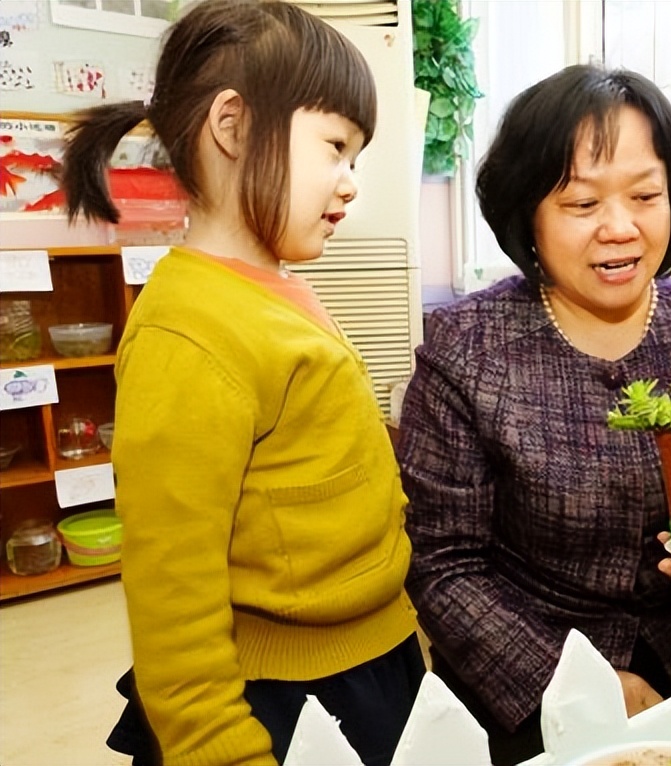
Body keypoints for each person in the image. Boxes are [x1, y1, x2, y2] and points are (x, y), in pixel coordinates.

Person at [59, 1, 423, 763]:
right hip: (286, 696)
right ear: (233, 125)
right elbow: (172, 597)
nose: (350, 184)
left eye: (356, 158)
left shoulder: (275, 288)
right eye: (336, 147)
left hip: (366, 658)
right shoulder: (188, 332)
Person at [396, 64, 671, 766]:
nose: (620, 228)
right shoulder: (466, 349)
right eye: (581, 203)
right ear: (529, 214)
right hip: (526, 686)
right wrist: (573, 681)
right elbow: (443, 564)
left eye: (645, 195)